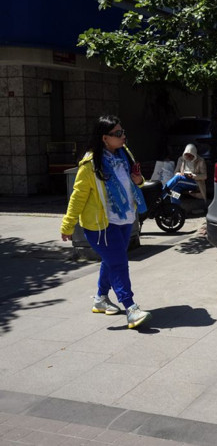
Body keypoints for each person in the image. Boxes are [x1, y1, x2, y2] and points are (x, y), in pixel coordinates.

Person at [60, 115, 152, 329]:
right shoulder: (90, 164)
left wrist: (140, 180)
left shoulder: (123, 154)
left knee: (111, 261)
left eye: (123, 132)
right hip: (101, 225)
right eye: (118, 134)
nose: (123, 136)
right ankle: (130, 308)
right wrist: (68, 225)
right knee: (119, 263)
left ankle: (100, 299)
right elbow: (77, 197)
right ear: (104, 138)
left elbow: (134, 182)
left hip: (125, 218)